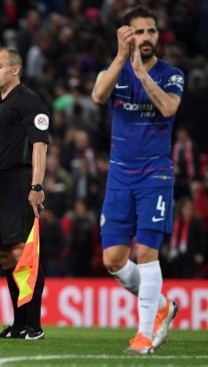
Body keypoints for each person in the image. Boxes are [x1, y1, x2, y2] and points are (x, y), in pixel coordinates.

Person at [91, 6, 184, 355]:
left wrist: (142, 74)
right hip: (119, 176)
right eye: (138, 32)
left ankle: (143, 336)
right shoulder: (115, 71)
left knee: (146, 252)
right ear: (127, 34)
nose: (146, 38)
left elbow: (169, 108)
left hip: (154, 176)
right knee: (113, 260)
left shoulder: (172, 74)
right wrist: (120, 58)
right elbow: (98, 95)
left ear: (158, 36)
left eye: (151, 32)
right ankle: (162, 304)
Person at [0, 48, 49, 340]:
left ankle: (33, 325)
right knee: (7, 257)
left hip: (21, 182)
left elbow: (40, 145)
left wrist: (36, 186)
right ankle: (19, 323)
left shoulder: (30, 101)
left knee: (25, 255)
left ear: (16, 69)